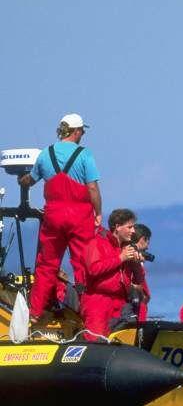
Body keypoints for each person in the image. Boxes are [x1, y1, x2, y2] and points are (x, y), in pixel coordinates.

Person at [20, 113, 103, 323]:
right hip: (80, 217)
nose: (82, 135)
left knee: (47, 265)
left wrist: (22, 180)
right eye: (82, 131)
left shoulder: (45, 154)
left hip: (54, 217)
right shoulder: (85, 155)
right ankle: (88, 315)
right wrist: (98, 212)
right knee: (83, 265)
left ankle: (35, 313)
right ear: (76, 132)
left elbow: (31, 179)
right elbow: (92, 188)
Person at [79, 209, 143, 339]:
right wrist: (121, 258)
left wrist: (136, 262)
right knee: (97, 341)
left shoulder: (126, 248)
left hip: (120, 303)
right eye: (129, 227)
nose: (133, 231)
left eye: (133, 227)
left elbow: (139, 280)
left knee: (124, 341)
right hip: (98, 302)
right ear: (117, 227)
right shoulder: (97, 242)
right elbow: (93, 269)